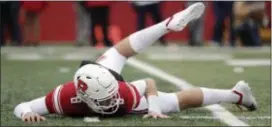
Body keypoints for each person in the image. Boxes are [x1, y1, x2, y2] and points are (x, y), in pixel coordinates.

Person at [14, 3, 257, 123]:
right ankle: (236, 94)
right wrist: (26, 113)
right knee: (172, 97)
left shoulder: (122, 94)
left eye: (110, 95)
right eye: (106, 99)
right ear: (83, 97)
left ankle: (166, 24)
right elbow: (23, 106)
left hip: (112, 80)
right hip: (98, 81)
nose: (111, 100)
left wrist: (153, 107)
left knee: (172, 100)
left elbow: (148, 82)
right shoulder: (64, 97)